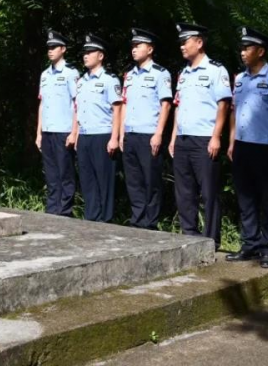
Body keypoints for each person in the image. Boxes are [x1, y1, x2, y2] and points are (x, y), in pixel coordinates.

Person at [227, 27, 268, 268]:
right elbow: (235, 111)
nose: (242, 52)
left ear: (260, 51)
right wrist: (232, 142)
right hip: (243, 146)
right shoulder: (240, 78)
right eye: (242, 48)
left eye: (247, 48)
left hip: (266, 147)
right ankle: (250, 244)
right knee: (245, 198)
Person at [168, 23, 232, 246]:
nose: (182, 47)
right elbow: (178, 105)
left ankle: (211, 239)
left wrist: (216, 136)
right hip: (184, 137)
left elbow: (223, 105)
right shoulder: (183, 73)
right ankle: (189, 235)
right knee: (184, 191)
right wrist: (174, 136)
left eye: (185, 42)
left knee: (208, 192)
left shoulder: (216, 70)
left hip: (205, 138)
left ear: (199, 42)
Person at [119, 28, 172, 229]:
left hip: (149, 133)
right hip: (131, 133)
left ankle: (151, 221)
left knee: (151, 179)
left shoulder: (160, 73)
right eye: (132, 46)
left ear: (149, 49)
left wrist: (159, 133)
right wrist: (122, 132)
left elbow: (166, 104)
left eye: (138, 46)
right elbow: (124, 103)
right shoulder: (129, 75)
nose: (133, 49)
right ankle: (137, 218)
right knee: (133, 180)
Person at [75, 34, 123, 222]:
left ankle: (106, 221)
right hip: (85, 136)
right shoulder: (81, 81)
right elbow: (78, 111)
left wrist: (114, 138)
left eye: (90, 52)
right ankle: (91, 219)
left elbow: (117, 110)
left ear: (100, 56)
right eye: (84, 52)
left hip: (103, 135)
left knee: (105, 182)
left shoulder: (110, 80)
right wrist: (77, 134)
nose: (85, 55)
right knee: (88, 181)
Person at [36, 30, 80, 217]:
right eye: (48, 48)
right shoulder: (45, 75)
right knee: (51, 174)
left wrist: (74, 132)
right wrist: (38, 133)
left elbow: (78, 104)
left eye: (54, 47)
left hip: (64, 130)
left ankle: (65, 211)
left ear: (63, 49)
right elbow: (42, 104)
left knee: (65, 174)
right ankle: (52, 210)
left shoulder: (71, 73)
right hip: (47, 131)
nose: (50, 50)